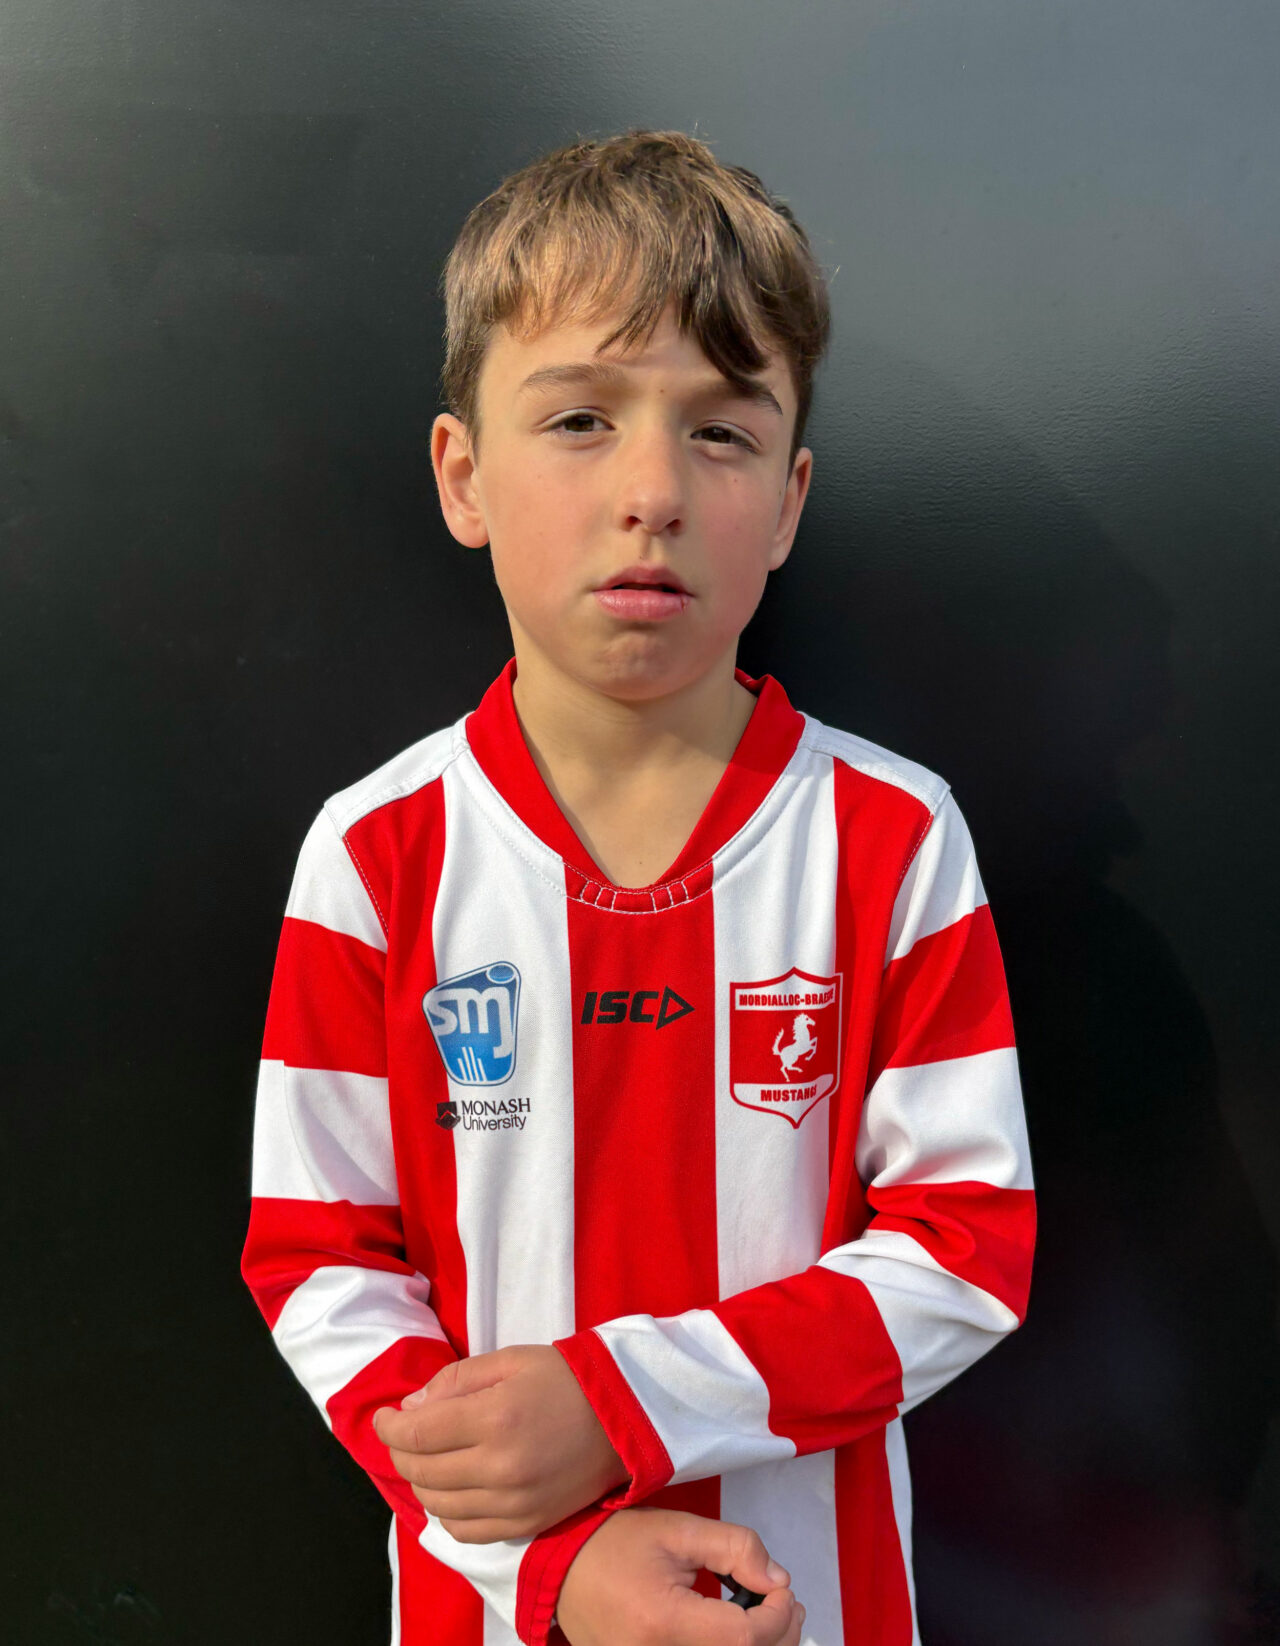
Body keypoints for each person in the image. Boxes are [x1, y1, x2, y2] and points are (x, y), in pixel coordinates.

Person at [240, 128, 1036, 1646]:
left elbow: (967, 1248)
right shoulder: (375, 854)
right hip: (495, 1607)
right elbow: (319, 1262)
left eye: (722, 432)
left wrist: (619, 1404)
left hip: (810, 1608)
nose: (653, 489)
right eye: (581, 418)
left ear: (790, 502)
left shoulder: (893, 837)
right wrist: (547, 1568)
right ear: (463, 475)